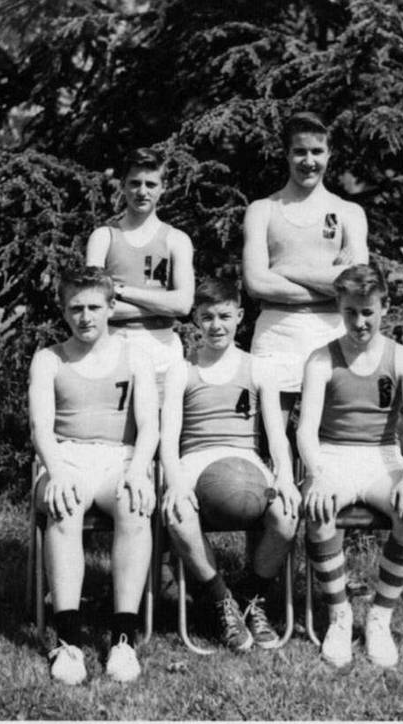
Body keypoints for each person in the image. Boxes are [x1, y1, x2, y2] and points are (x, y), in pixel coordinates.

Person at [27, 266, 159, 685]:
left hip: (118, 457)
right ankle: (68, 640)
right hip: (66, 457)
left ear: (111, 307)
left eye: (94, 307)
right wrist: (57, 471)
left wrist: (138, 470)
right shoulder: (49, 358)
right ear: (63, 311)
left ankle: (123, 639)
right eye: (76, 308)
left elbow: (149, 425)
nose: (85, 317)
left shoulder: (135, 355)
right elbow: (40, 428)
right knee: (64, 506)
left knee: (134, 505)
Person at [296, 264, 403, 669]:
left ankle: (379, 617)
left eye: (368, 311)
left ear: (384, 307)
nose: (359, 322)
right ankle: (339, 614)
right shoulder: (322, 358)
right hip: (333, 455)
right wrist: (317, 474)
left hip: (381, 455)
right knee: (318, 510)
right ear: (339, 308)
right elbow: (306, 429)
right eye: (350, 312)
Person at [158, 279, 302, 651]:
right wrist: (176, 482)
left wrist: (286, 477)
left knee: (287, 514)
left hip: (246, 458)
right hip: (195, 459)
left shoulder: (258, 368)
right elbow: (168, 439)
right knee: (177, 513)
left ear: (239, 315)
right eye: (207, 317)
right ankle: (221, 599)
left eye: (224, 316)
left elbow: (277, 436)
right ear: (195, 319)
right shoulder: (182, 370)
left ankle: (251, 597)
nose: (216, 325)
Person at [242, 112, 369, 422]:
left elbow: (356, 284)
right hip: (277, 332)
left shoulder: (349, 212)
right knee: (270, 435)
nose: (309, 161)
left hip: (333, 332)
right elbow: (257, 283)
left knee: (334, 435)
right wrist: (332, 286)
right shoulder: (262, 210)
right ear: (286, 154)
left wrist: (285, 270)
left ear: (329, 154)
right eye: (300, 151)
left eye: (317, 151)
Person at [87, 148, 194, 394]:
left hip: (161, 346)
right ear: (123, 185)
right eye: (135, 183)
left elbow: (183, 305)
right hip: (113, 343)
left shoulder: (176, 240)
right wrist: (161, 305)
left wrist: (120, 291)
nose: (142, 192)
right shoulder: (103, 237)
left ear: (163, 187)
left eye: (151, 184)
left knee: (161, 416)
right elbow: (93, 305)